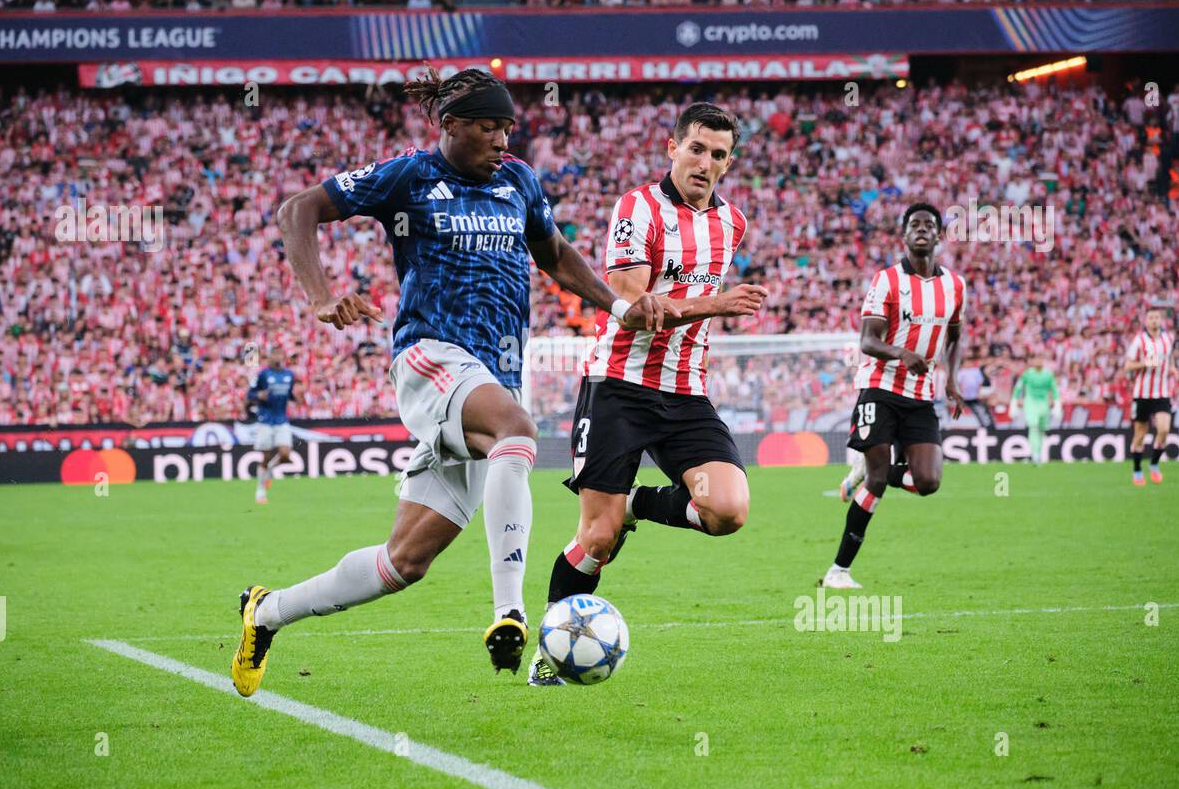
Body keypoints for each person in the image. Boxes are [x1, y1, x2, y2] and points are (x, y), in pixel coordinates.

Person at [230, 68, 672, 696]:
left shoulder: (518, 179)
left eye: (508, 128)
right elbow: (298, 208)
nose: (501, 140)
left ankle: (266, 612)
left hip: (491, 380)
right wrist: (320, 298)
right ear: (451, 125)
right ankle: (511, 612)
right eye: (489, 128)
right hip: (429, 359)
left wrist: (620, 305)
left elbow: (552, 254)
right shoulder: (408, 175)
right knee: (519, 433)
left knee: (403, 562)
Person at [528, 102, 768, 685]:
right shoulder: (637, 208)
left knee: (728, 510)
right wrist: (717, 303)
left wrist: (710, 306)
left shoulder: (731, 223)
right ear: (672, 147)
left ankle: (637, 503)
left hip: (685, 394)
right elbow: (636, 310)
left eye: (718, 155)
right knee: (598, 537)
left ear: (728, 162)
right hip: (618, 386)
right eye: (696, 149)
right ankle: (552, 649)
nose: (705, 162)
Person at [826, 203, 967, 589]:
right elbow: (868, 340)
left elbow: (956, 337)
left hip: (921, 395)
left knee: (928, 481)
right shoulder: (887, 281)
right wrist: (903, 354)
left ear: (938, 235)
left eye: (929, 225)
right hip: (880, 389)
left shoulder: (955, 285)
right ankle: (839, 571)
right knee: (876, 483)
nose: (922, 229)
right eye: (914, 224)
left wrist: (952, 380)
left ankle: (870, 471)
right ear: (904, 235)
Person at [1124, 307, 1175, 485]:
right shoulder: (1139, 340)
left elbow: (1170, 357)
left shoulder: (1168, 339)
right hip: (1142, 394)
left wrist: (1173, 368)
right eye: (1150, 317)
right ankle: (1137, 470)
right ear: (1145, 321)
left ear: (1161, 320)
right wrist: (1145, 363)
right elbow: (1128, 366)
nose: (1154, 320)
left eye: (1156, 317)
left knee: (1164, 429)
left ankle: (1154, 464)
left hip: (1161, 393)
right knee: (1140, 434)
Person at [249, 347, 297, 504]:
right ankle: (260, 490)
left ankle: (269, 471)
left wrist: (296, 397)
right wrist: (258, 395)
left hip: (282, 419)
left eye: (279, 354)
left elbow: (289, 394)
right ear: (270, 357)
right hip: (266, 419)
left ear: (283, 356)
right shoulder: (263, 374)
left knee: (285, 454)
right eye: (274, 354)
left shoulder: (289, 375)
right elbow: (250, 394)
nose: (277, 356)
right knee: (266, 456)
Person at [1008, 354, 1060, 465]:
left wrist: (1057, 405)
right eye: (1036, 359)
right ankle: (1035, 455)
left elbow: (1054, 390)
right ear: (1032, 361)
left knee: (1041, 429)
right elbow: (1018, 388)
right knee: (1033, 425)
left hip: (1044, 404)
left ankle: (1038, 452)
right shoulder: (1027, 374)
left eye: (1040, 359)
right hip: (1030, 403)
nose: (1038, 361)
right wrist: (1013, 404)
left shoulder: (1048, 374)